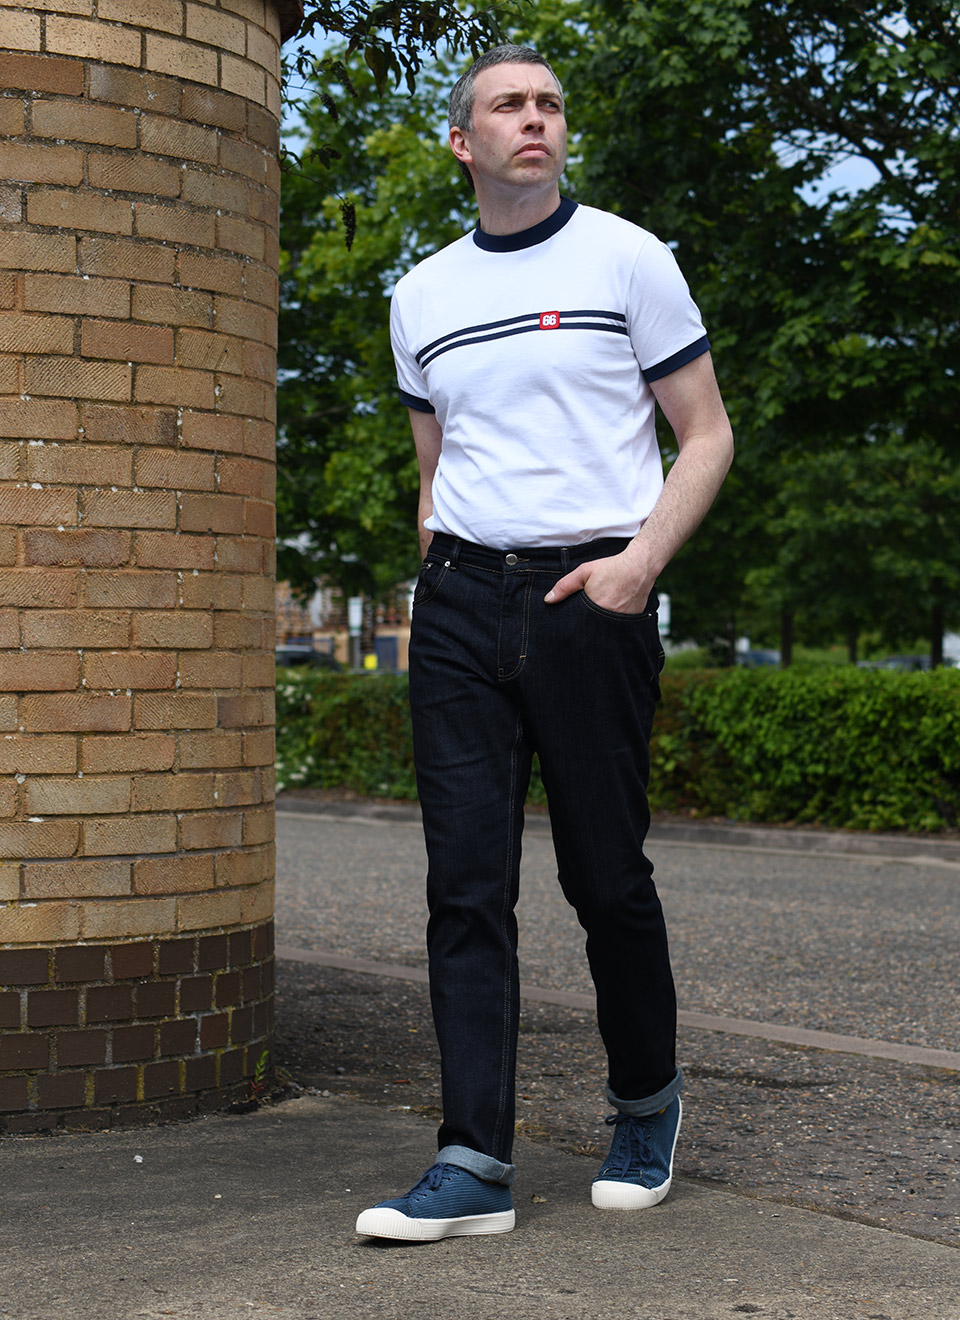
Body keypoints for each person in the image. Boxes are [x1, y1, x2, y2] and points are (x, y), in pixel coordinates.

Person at [356, 44, 734, 1242]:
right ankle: (472, 1161)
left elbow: (707, 433)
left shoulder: (628, 258)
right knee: (465, 887)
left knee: (603, 877)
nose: (536, 120)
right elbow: (434, 465)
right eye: (509, 105)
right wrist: (435, 570)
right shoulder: (421, 296)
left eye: (550, 104)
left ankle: (647, 1103)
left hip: (591, 593)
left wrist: (639, 565)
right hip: (461, 600)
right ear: (462, 142)